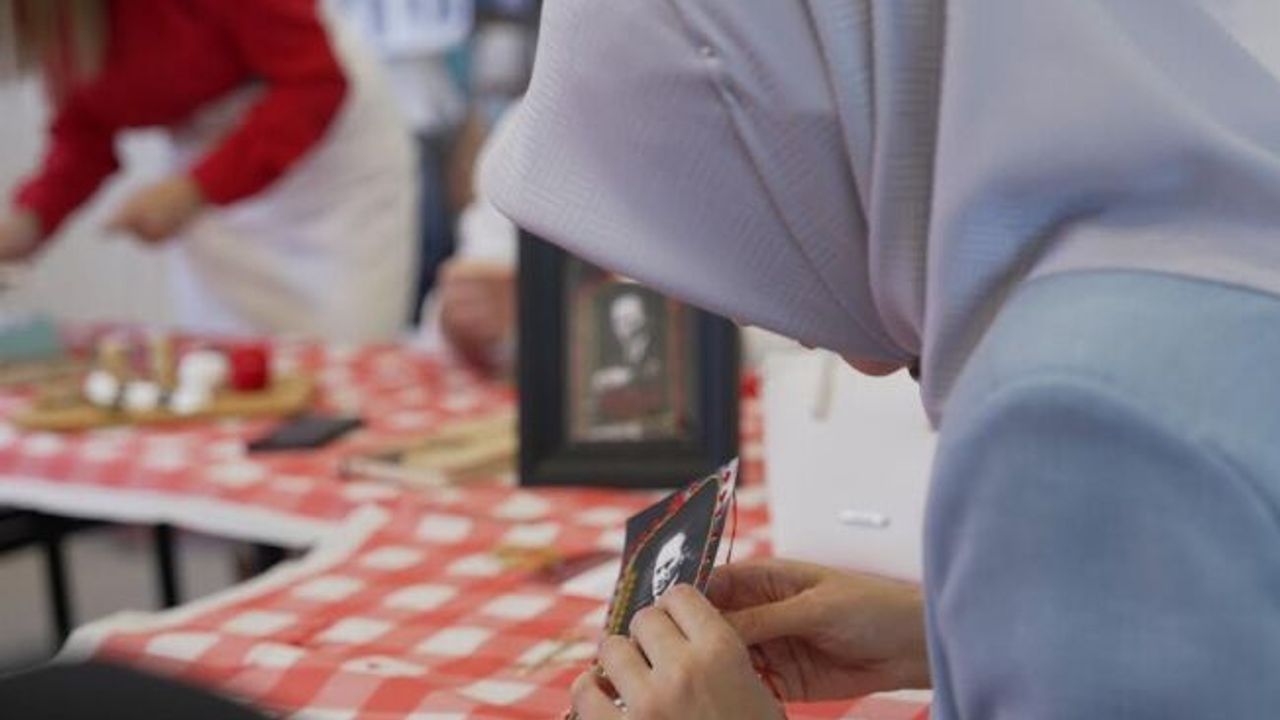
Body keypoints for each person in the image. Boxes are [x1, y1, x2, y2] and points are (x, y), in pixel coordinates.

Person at [482, 1, 1280, 718]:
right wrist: (953, 634)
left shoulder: (1067, 414)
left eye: (757, 221)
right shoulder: (1207, 232)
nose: (790, 329)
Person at [0, 0, 416, 342]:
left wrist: (195, 190)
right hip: (209, 166)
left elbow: (316, 83)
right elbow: (85, 124)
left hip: (328, 158)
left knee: (342, 348)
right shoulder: (56, 19)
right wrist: (29, 221)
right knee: (222, 362)